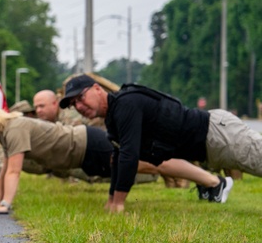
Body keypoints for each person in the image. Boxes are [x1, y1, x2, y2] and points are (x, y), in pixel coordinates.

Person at [0, 102, 232, 214]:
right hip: (85, 153)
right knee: (150, 164)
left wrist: (5, 204)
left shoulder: (14, 128)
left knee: (152, 162)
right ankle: (210, 182)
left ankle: (213, 182)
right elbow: (6, 166)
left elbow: (13, 171)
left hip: (90, 145)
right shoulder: (9, 130)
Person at [62, 74, 262, 212]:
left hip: (217, 134)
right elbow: (118, 159)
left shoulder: (126, 104)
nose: (79, 106)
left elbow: (129, 156)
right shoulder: (113, 118)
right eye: (73, 104)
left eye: (81, 97)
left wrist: (119, 204)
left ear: (97, 89)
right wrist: (111, 200)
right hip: (209, 145)